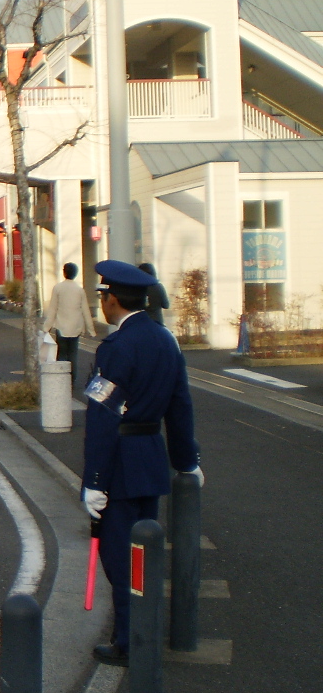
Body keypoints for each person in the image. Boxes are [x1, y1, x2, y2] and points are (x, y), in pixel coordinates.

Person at [81, 260, 202, 667]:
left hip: (119, 465)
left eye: (103, 296)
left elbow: (102, 417)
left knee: (120, 559)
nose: (102, 303)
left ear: (113, 299)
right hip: (151, 458)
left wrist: (95, 480)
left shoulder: (116, 348)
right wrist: (187, 461)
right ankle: (143, 630)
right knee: (145, 555)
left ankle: (130, 642)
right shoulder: (166, 341)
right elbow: (180, 406)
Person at [43, 262, 96, 389]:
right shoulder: (79, 290)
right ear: (75, 273)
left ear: (64, 272)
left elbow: (53, 309)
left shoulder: (58, 288)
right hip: (76, 327)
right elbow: (85, 311)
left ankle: (61, 378)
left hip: (61, 326)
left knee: (61, 353)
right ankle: (72, 379)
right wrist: (91, 330)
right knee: (73, 354)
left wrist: (46, 327)